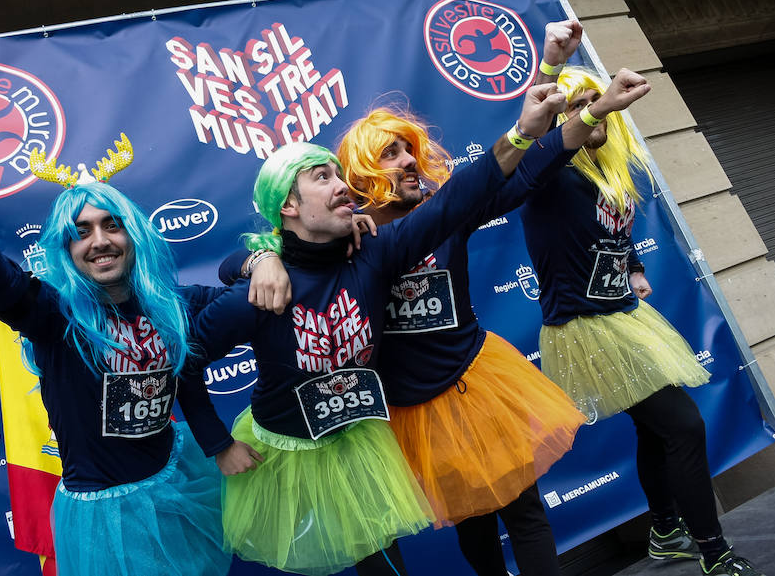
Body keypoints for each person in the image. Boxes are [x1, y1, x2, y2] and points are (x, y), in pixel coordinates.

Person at [231, 28, 655, 576]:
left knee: (524, 511)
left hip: (476, 384)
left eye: (411, 148)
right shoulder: (348, 243)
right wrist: (255, 260)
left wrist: (583, 106)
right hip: (410, 410)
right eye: (391, 153)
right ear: (361, 172)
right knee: (471, 523)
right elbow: (239, 267)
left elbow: (526, 167)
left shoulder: (446, 210)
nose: (409, 161)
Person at [178, 83, 569, 576]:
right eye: (323, 178)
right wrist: (217, 443)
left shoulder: (374, 252)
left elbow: (457, 200)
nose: (341, 185)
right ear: (289, 206)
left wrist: (522, 132)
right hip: (291, 447)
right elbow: (181, 360)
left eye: (339, 176)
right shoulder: (261, 293)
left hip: (363, 434)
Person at [0, 115, 231, 576]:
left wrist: (262, 257)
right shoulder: (55, 318)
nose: (99, 241)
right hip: (102, 523)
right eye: (81, 231)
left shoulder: (176, 307)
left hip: (177, 487)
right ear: (66, 249)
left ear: (133, 235)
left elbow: (248, 297)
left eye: (112, 225)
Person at [518, 65, 768, 576]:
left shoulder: (601, 174)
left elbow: (613, 230)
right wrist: (566, 89)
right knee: (683, 426)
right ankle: (715, 552)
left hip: (623, 314)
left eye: (599, 98)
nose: (595, 108)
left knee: (657, 431)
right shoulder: (548, 177)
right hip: (586, 328)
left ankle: (665, 530)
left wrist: (632, 267)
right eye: (579, 103)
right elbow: (533, 150)